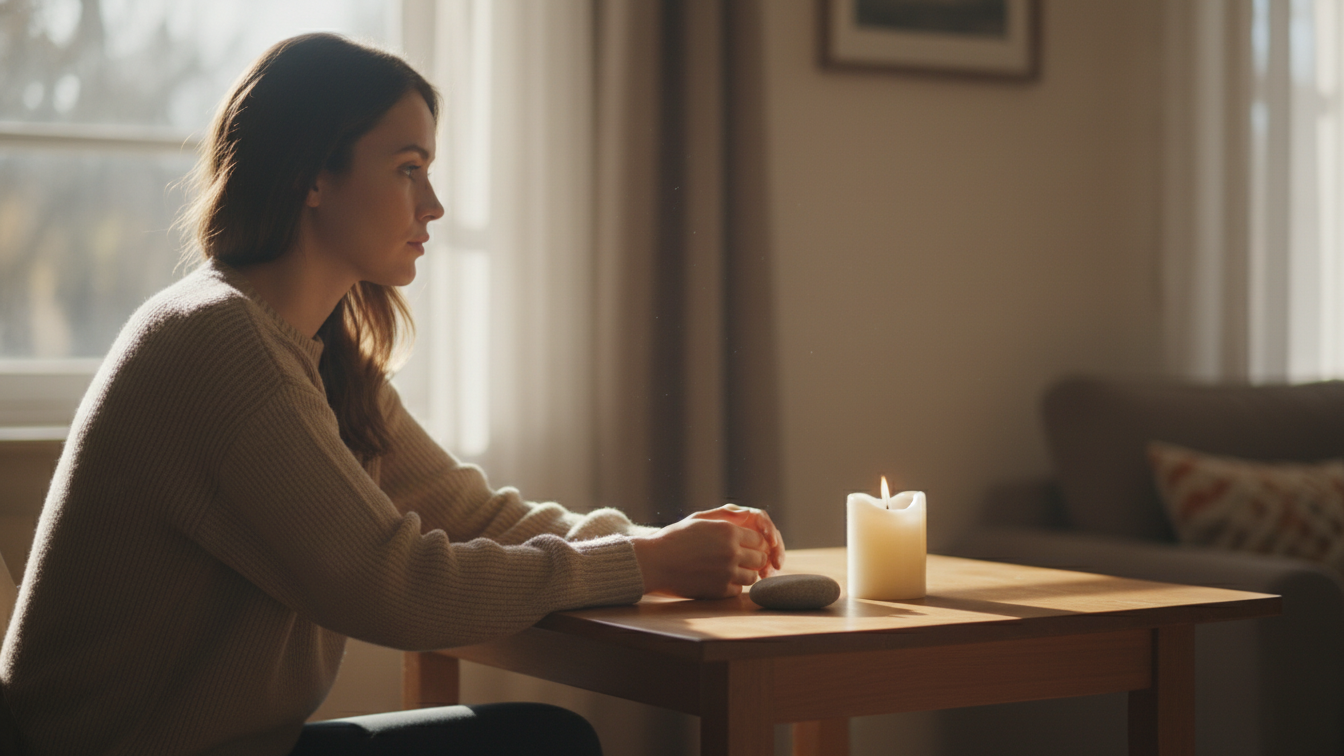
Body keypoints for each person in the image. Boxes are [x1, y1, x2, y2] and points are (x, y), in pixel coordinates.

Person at [0, 33, 784, 756]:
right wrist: (643, 561)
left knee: (542, 740)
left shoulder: (318, 355)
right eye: (409, 168)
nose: (433, 205)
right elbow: (396, 587)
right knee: (542, 745)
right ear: (312, 176)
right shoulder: (214, 344)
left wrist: (667, 544)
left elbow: (477, 516)